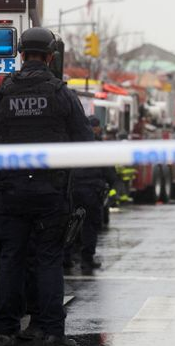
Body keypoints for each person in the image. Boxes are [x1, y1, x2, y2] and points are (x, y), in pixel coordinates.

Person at [0, 27, 93, 346]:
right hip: (50, 194)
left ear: (21, 54)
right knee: (48, 260)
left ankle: (5, 331)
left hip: (10, 194)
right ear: (51, 57)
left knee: (11, 260)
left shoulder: (3, 92)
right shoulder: (60, 93)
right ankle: (53, 332)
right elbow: (86, 143)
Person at [65, 116, 118, 272]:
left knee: (70, 225)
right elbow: (110, 172)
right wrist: (113, 186)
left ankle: (66, 258)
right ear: (95, 128)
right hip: (92, 192)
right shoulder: (99, 147)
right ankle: (86, 260)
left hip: (73, 191)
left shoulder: (72, 145)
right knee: (90, 226)